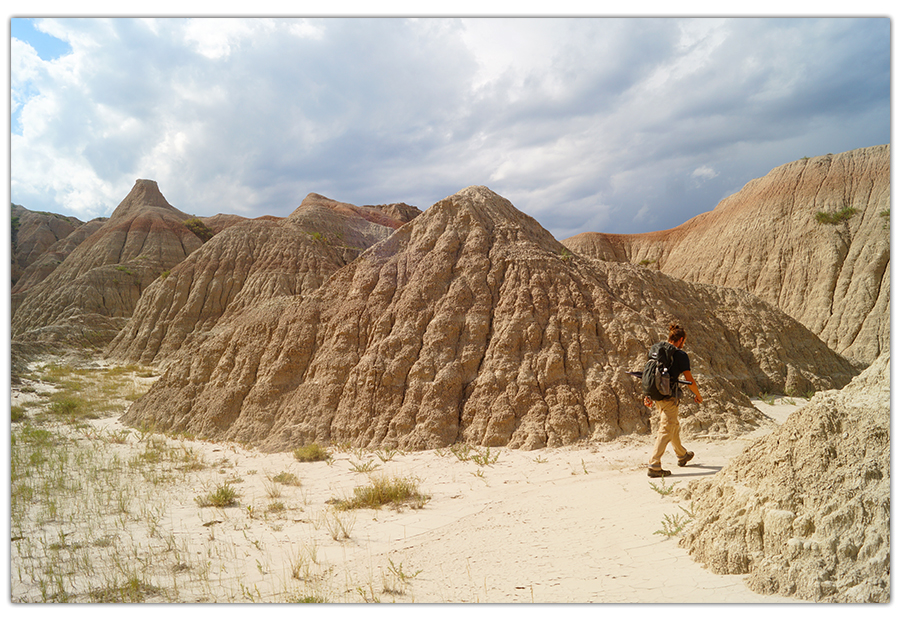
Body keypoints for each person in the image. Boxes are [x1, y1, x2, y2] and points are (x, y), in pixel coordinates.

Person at [644, 323, 702, 478]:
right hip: (669, 398)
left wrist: (647, 395)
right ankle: (654, 464)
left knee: (673, 425)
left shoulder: (656, 350)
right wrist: (698, 395)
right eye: (684, 342)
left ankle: (682, 455)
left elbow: (649, 373)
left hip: (657, 396)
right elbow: (690, 379)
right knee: (666, 429)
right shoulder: (680, 355)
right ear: (681, 339)